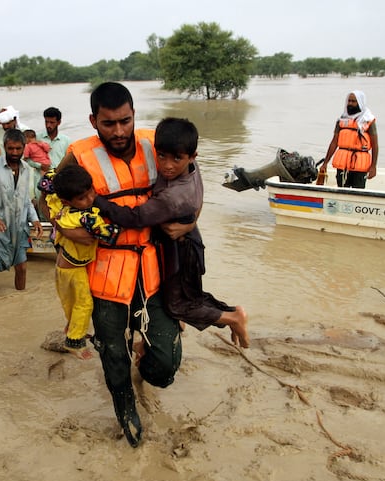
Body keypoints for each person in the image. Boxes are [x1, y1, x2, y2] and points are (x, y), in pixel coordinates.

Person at [47, 82, 186, 448]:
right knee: (113, 355)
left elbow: (192, 182)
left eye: (125, 121)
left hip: (153, 268)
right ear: (94, 120)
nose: (119, 131)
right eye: (109, 124)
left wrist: (189, 223)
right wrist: (64, 226)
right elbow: (46, 195)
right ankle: (126, 410)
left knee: (167, 362)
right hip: (105, 273)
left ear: (134, 115)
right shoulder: (78, 155)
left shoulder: (156, 144)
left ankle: (147, 363)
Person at [92, 118, 249, 346]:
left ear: (192, 156)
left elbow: (134, 218)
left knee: (178, 304)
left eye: (177, 159)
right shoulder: (190, 168)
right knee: (189, 295)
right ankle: (231, 314)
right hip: (187, 239)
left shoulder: (173, 196)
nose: (167, 165)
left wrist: (95, 199)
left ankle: (232, 317)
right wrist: (192, 221)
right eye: (162, 156)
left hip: (183, 249)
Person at [41, 164, 120, 360]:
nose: (90, 199)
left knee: (70, 302)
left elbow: (47, 182)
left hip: (62, 267)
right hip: (74, 269)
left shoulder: (59, 206)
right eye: (82, 198)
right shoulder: (86, 218)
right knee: (84, 304)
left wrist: (53, 175)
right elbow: (109, 236)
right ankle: (74, 342)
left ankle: (71, 326)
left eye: (91, 192)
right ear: (68, 200)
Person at [0, 129, 42, 295]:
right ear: (4, 147)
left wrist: (35, 219)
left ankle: (21, 300)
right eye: (10, 148)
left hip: (18, 228)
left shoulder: (27, 169)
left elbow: (25, 198)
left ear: (23, 147)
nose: (14, 152)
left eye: (18, 149)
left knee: (22, 267)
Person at [317, 90, 379, 188]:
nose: (350, 103)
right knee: (341, 190)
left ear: (360, 103)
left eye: (353, 101)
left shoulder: (368, 120)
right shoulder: (341, 120)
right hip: (343, 164)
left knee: (358, 192)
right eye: (349, 101)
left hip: (360, 163)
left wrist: (373, 166)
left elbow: (375, 145)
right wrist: (325, 163)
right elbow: (334, 142)